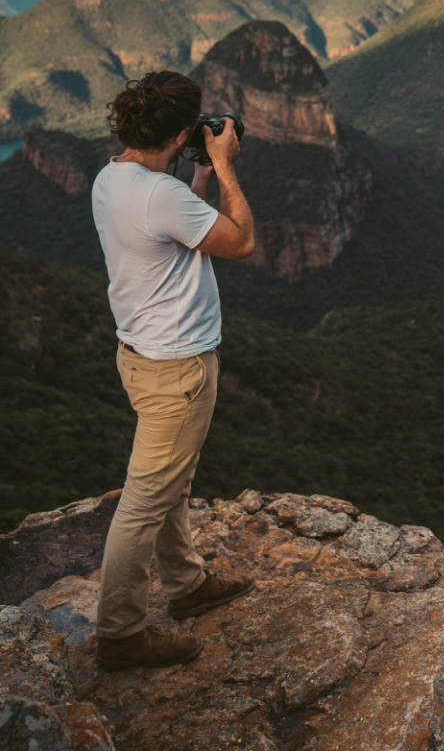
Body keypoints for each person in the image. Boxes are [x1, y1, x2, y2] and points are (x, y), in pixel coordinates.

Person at [91, 70, 256, 671]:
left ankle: (186, 586)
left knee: (172, 482)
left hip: (139, 358)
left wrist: (201, 177)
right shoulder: (161, 196)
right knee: (144, 499)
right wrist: (227, 163)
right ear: (184, 130)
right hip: (177, 370)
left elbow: (174, 223)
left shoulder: (114, 178)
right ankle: (121, 634)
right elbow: (239, 242)